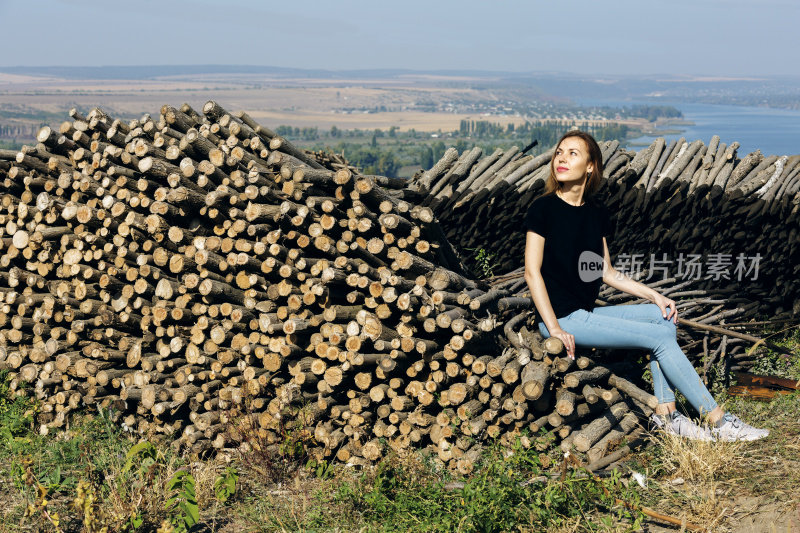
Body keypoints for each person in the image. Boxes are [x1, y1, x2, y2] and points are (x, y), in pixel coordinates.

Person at [522, 130, 768, 442]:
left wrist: (655, 295)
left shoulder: (596, 213)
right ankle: (718, 420)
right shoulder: (542, 209)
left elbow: (606, 272)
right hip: (561, 319)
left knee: (661, 318)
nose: (561, 158)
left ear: (590, 166)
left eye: (572, 153)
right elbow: (532, 273)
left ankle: (667, 415)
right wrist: (554, 328)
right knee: (657, 338)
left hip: (583, 313)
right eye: (559, 152)